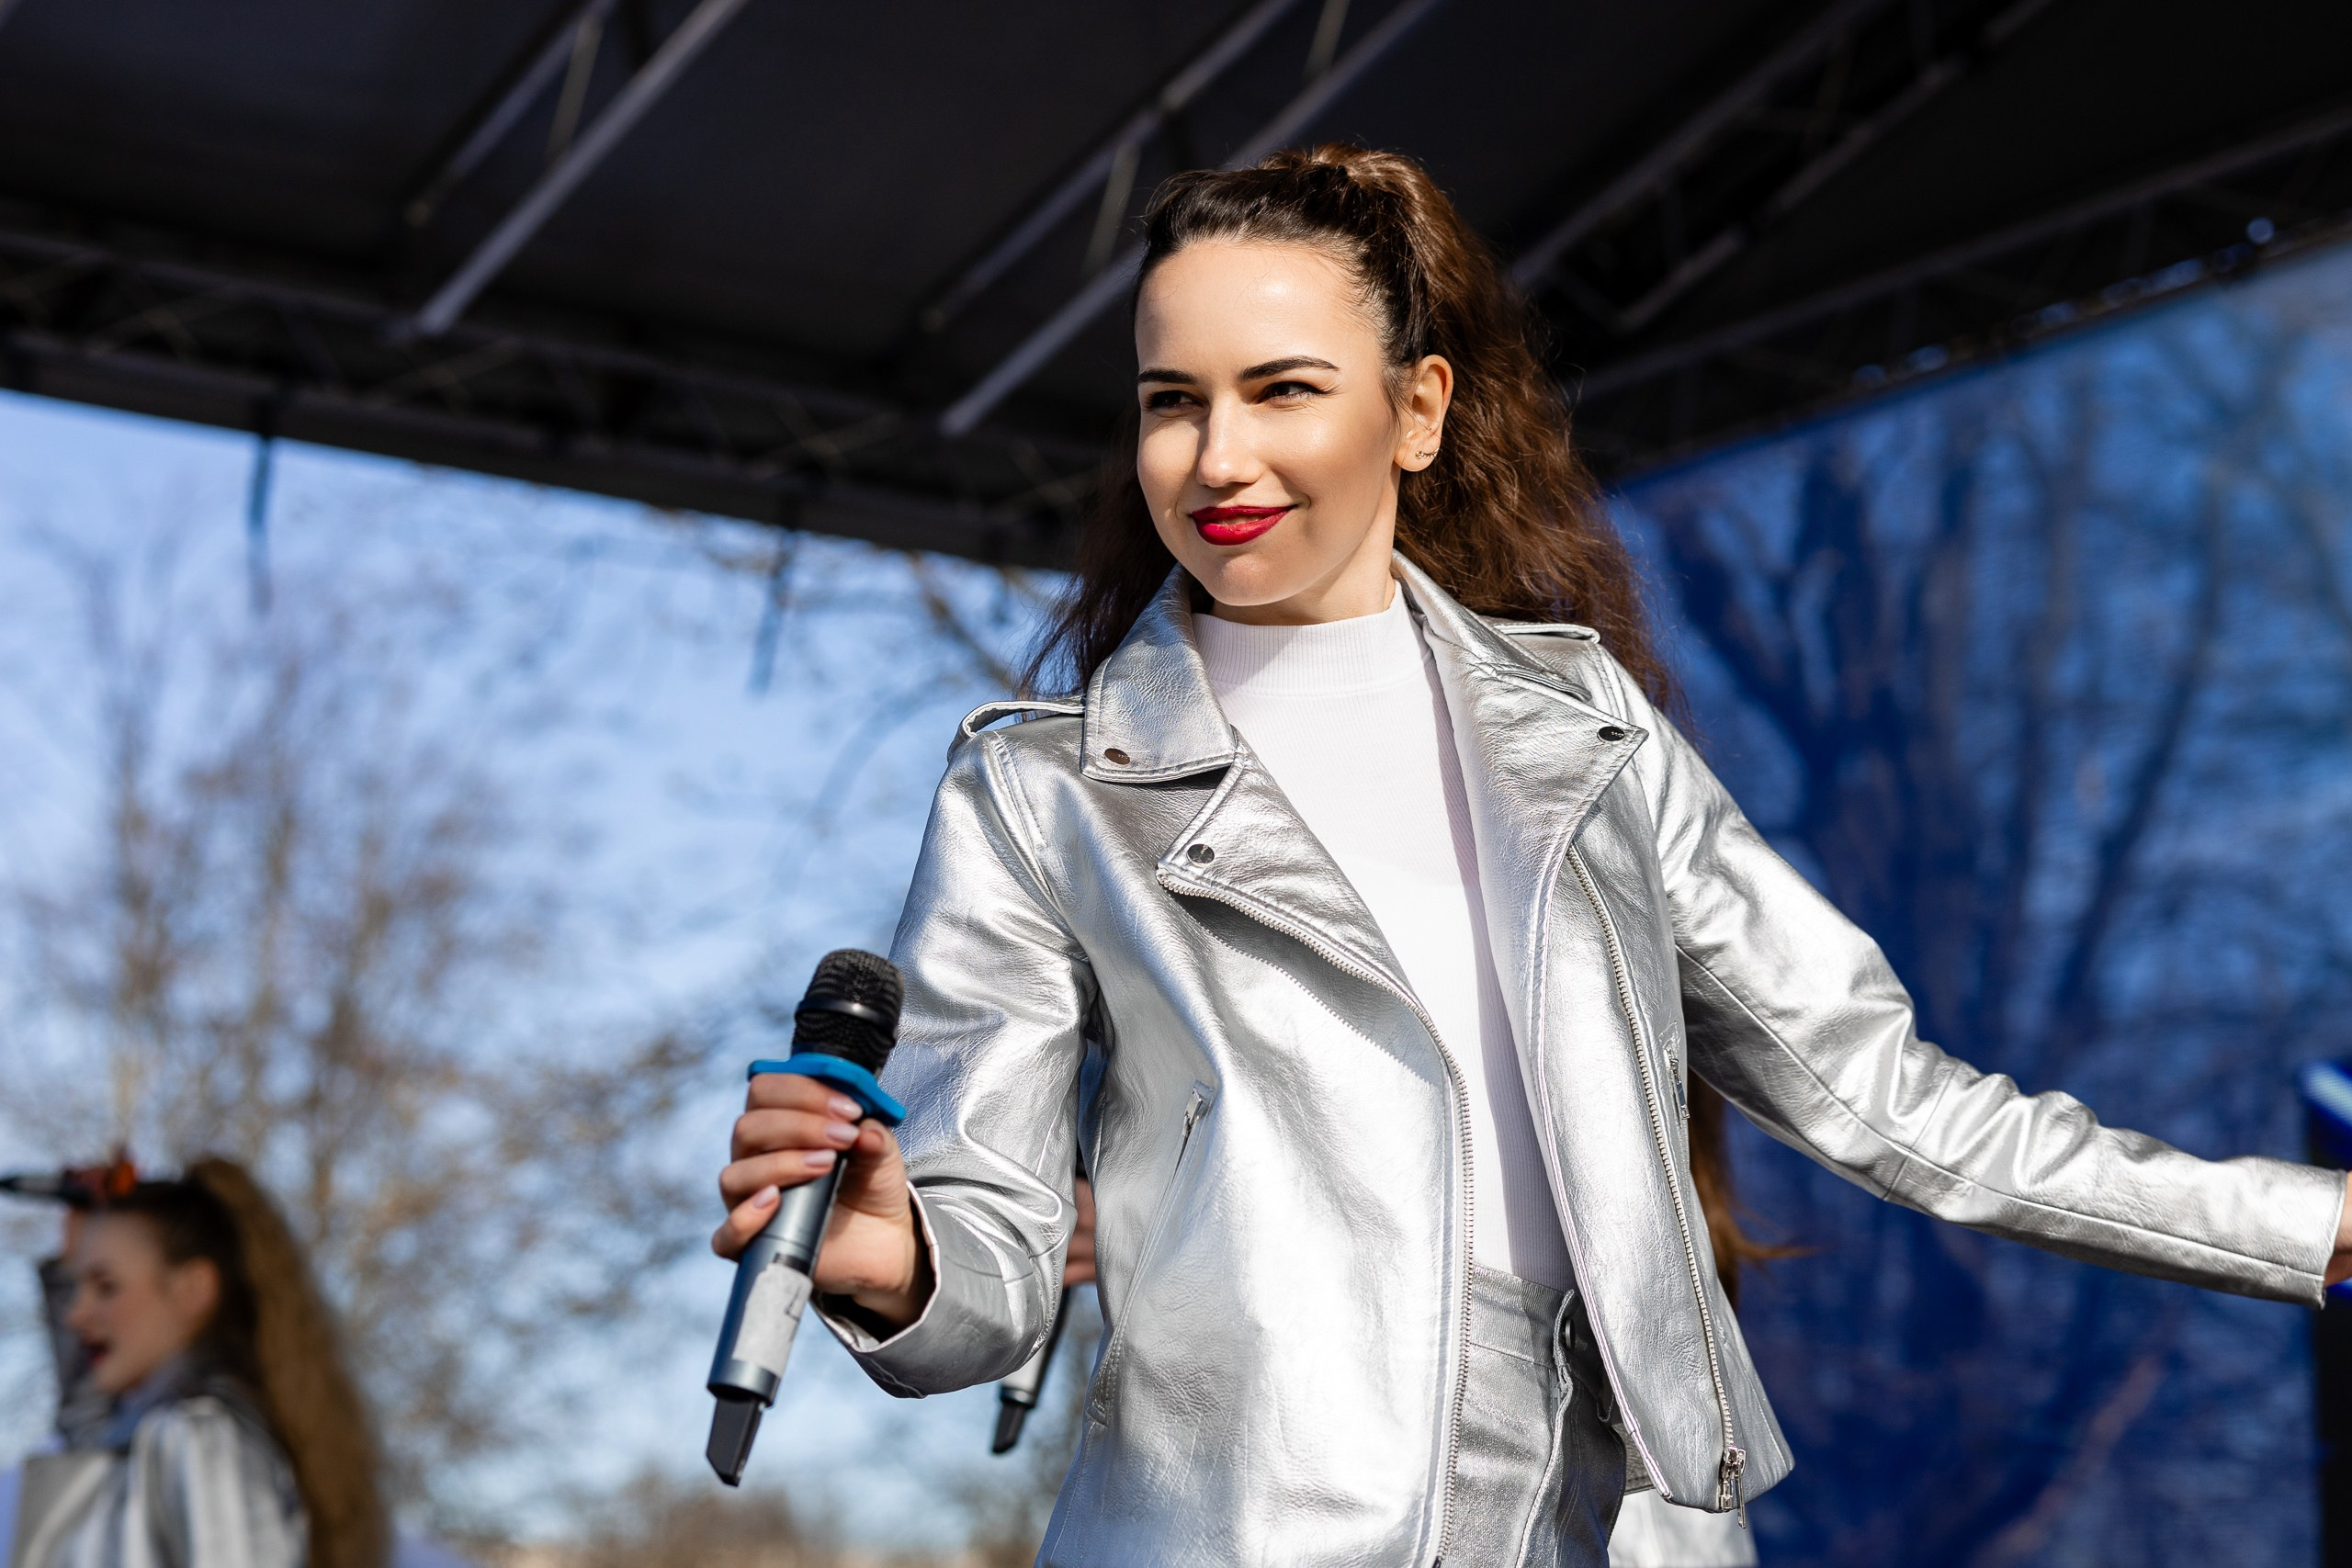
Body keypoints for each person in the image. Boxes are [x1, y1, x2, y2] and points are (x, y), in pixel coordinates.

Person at [714, 145, 2351, 1567]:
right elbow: (988, 1247)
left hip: (1617, 1524)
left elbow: (1891, 1098)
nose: (1217, 456)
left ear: (1418, 410)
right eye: (1171, 401)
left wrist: (2307, 1223)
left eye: (1283, 389)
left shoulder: (1587, 733)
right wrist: (895, 1253)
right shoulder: (1042, 791)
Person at [11, 1159, 388, 1568]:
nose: (75, 1314)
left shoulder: (201, 1438)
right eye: (76, 1285)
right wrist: (79, 1243)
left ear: (192, 1290)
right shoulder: (153, 1441)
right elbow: (88, 1436)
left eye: (105, 1287)